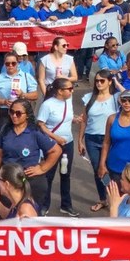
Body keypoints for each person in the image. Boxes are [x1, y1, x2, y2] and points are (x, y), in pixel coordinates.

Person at [0, 99, 62, 216]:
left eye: (18, 113)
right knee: (3, 215)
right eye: (11, 112)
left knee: (28, 216)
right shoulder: (6, 129)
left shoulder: (35, 131)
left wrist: (42, 168)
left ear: (27, 115)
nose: (14, 116)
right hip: (8, 181)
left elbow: (56, 150)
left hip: (30, 181)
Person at [78, 70, 119, 213]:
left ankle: (115, 199)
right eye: (97, 81)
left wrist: (117, 83)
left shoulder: (116, 98)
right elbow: (84, 120)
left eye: (102, 81)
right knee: (98, 170)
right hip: (91, 139)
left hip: (110, 139)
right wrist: (80, 140)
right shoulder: (89, 97)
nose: (99, 83)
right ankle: (103, 199)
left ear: (109, 82)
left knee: (111, 169)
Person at [37, 77, 79, 217]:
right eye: (69, 89)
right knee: (48, 175)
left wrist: (75, 119)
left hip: (68, 143)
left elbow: (66, 117)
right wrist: (55, 137)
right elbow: (41, 125)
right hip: (52, 145)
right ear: (60, 91)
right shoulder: (47, 105)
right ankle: (44, 205)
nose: (72, 91)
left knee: (65, 174)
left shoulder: (69, 101)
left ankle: (66, 205)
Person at [0, 52, 40, 138]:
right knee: (3, 138)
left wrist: (23, 95)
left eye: (13, 63)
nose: (10, 66)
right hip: (5, 112)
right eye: (7, 64)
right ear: (4, 64)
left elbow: (35, 95)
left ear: (18, 63)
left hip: (23, 111)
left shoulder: (26, 77)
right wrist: (4, 101)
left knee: (26, 138)